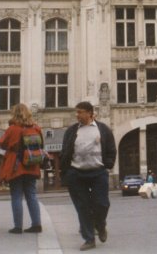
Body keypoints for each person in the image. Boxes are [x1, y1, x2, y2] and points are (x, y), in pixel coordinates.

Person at [60, 101, 117, 251]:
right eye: (76, 112)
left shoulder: (102, 129)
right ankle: (89, 239)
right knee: (82, 207)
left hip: (98, 172)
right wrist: (67, 171)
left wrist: (108, 164)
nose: (77, 115)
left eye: (80, 112)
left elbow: (111, 148)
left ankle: (100, 225)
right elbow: (65, 151)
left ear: (89, 113)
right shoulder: (72, 131)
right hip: (77, 173)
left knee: (102, 203)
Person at [0, 103, 43, 235]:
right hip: (32, 164)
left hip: (16, 166)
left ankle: (18, 227)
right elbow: (42, 144)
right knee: (32, 195)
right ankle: (37, 224)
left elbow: (2, 143)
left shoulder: (12, 129)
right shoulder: (36, 128)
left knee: (16, 195)